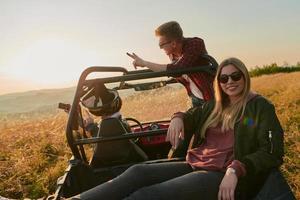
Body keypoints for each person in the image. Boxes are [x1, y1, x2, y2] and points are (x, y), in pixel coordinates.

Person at [69, 57, 287, 200]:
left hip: (224, 175)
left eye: (235, 76)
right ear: (218, 82)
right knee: (139, 172)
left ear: (245, 77)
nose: (230, 81)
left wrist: (235, 168)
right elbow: (193, 115)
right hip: (199, 163)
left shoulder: (259, 107)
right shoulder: (216, 105)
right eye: (223, 78)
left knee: (147, 196)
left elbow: (272, 152)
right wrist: (178, 118)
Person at [127, 21, 214, 107]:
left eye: (161, 45)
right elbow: (172, 71)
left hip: (210, 97)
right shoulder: (172, 54)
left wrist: (145, 63)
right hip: (195, 96)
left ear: (173, 43)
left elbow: (177, 70)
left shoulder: (195, 44)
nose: (161, 48)